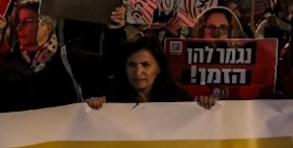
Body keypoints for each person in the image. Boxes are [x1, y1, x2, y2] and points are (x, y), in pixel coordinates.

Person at [0, 1, 107, 113]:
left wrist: (94, 101)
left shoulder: (70, 58)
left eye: (27, 22)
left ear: (47, 27)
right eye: (19, 22)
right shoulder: (6, 62)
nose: (19, 28)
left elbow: (108, 76)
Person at [86, 36, 216, 109]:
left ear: (159, 68)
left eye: (145, 65)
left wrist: (205, 106)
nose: (138, 72)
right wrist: (93, 107)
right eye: (131, 65)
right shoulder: (111, 100)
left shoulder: (179, 99)